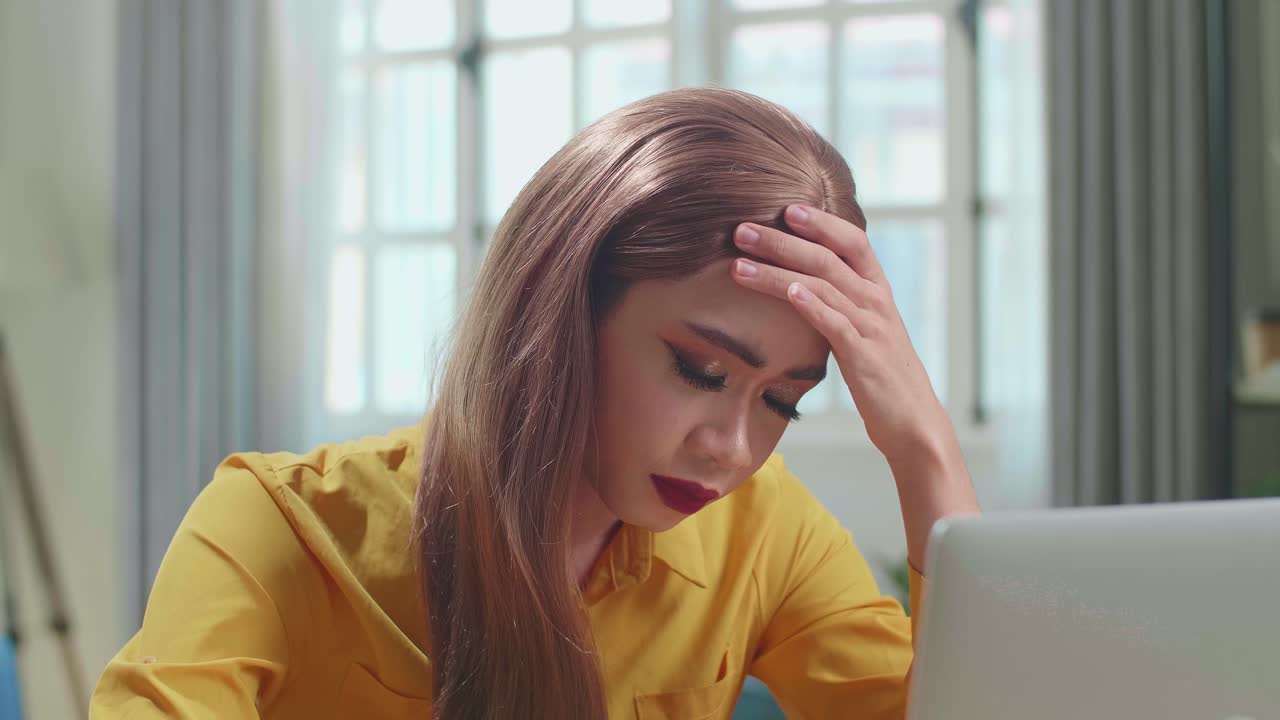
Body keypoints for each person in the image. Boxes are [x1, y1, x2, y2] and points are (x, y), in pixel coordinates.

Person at [90, 87, 980, 719]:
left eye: (782, 402)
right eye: (701, 371)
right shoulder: (277, 530)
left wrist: (924, 451)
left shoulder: (767, 534)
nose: (733, 449)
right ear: (560, 314)